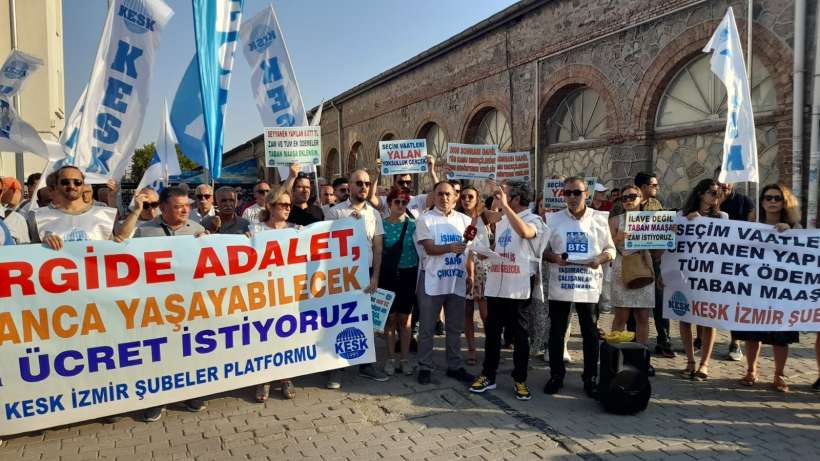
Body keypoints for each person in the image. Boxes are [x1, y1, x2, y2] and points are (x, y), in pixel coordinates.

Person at [134, 186, 208, 421]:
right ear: (163, 208)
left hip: (190, 304)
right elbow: (119, 250)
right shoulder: (144, 232)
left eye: (187, 205)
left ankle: (192, 393)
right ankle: (158, 400)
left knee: (189, 350)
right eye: (178, 206)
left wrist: (210, 243)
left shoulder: (197, 230)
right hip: (156, 306)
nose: (185, 210)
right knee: (159, 353)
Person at [469, 181, 545, 401]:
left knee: (520, 335)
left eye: (505, 195)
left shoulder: (534, 219)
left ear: (516, 199)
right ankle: (488, 375)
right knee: (492, 332)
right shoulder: (502, 220)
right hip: (497, 283)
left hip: (519, 287)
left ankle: (519, 379)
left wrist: (505, 209)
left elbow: (525, 233)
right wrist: (487, 253)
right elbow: (499, 247)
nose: (500, 198)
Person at [543, 177, 615, 398]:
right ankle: (556, 375)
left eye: (577, 193)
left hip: (588, 283)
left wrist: (600, 259)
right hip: (561, 281)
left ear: (587, 194)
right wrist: (553, 257)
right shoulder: (552, 219)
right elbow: (543, 251)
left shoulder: (599, 219)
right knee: (557, 331)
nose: (572, 197)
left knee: (590, 333)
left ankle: (590, 377)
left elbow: (610, 249)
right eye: (568, 193)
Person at [325, 169, 389, 387]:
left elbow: (378, 249)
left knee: (366, 321)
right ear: (349, 186)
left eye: (367, 183)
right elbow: (327, 246)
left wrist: (376, 278)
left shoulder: (374, 214)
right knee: (341, 320)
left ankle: (365, 364)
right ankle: (336, 367)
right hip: (343, 274)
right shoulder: (335, 213)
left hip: (368, 272)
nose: (364, 187)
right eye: (359, 183)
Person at [735, 184, 800, 392]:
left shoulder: (795, 228)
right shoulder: (751, 226)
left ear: (785, 202)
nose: (772, 201)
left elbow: (801, 255)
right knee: (753, 331)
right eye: (768, 198)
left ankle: (779, 374)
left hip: (781, 291)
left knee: (780, 334)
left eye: (777, 198)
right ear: (762, 202)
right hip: (754, 289)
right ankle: (751, 370)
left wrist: (789, 233)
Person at [414, 180, 475, 385]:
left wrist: (470, 275)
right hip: (432, 279)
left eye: (449, 194)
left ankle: (454, 366)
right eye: (440, 194)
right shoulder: (425, 219)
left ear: (455, 196)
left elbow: (469, 252)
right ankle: (424, 366)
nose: (444, 198)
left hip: (456, 280)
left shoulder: (465, 220)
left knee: (454, 327)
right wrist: (450, 247)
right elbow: (429, 248)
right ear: (434, 195)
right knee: (427, 328)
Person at [250, 185, 298, 401]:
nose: (288, 208)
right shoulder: (256, 230)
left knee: (286, 336)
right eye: (283, 205)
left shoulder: (297, 229)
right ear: (270, 206)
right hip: (263, 294)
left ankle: (285, 377)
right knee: (264, 337)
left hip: (288, 292)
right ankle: (264, 380)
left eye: (289, 205)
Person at [677, 178, 727, 381]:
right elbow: (673, 244)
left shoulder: (722, 217)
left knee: (708, 319)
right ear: (700, 194)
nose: (716, 197)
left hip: (710, 276)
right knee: (685, 318)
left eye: (718, 194)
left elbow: (727, 246)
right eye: (712, 193)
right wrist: (685, 224)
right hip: (687, 275)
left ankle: (704, 363)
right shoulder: (682, 216)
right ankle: (690, 360)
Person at [608, 184, 655, 374]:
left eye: (632, 197)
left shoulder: (651, 220)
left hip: (643, 265)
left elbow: (659, 249)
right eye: (624, 197)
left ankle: (641, 358)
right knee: (621, 316)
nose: (627, 200)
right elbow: (605, 244)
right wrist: (618, 238)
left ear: (641, 198)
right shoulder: (615, 220)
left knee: (643, 316)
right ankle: (616, 357)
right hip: (622, 267)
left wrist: (669, 234)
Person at [379, 186, 419, 376]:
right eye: (397, 202)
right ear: (389, 203)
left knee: (405, 320)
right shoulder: (382, 224)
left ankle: (404, 359)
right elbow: (376, 252)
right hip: (388, 276)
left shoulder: (413, 225)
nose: (401, 205)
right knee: (390, 319)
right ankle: (390, 358)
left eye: (404, 202)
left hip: (408, 275)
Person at [716, 169, 755, 362]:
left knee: (734, 302)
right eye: (721, 181)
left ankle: (735, 342)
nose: (725, 185)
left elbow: (752, 229)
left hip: (736, 261)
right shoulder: (709, 202)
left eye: (728, 181)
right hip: (713, 260)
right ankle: (701, 339)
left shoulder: (744, 202)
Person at [30, 166, 121, 247]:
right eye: (65, 182)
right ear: (56, 186)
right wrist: (42, 246)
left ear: (83, 185)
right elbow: (29, 255)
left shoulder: (104, 214)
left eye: (77, 182)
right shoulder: (38, 217)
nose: (72, 186)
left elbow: (114, 251)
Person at [458, 185, 489, 366]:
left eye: (470, 196)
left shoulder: (484, 217)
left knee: (485, 313)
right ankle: (471, 350)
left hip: (482, 268)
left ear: (477, 199)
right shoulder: (457, 219)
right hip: (463, 267)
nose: (466, 199)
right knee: (467, 312)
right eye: (463, 196)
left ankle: (490, 346)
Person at [371, 155, 437, 217]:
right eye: (401, 182)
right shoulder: (386, 201)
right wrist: (376, 175)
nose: (405, 185)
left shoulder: (418, 200)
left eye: (408, 182)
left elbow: (437, 195)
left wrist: (432, 172)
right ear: (394, 183)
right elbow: (371, 198)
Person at [0, 177, 30, 245]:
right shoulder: (17, 218)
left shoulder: (17, 218)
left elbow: (24, 247)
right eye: (17, 190)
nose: (19, 193)